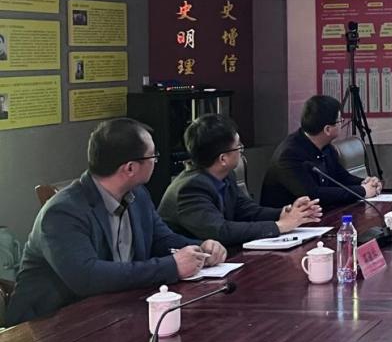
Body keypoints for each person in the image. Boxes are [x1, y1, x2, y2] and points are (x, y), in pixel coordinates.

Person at [6, 118, 227, 325]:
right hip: (49, 325)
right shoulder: (62, 212)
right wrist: (172, 266)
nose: (155, 161)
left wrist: (201, 249)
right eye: (153, 156)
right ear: (130, 168)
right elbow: (87, 277)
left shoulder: (137, 195)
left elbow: (162, 239)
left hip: (115, 310)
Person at [159, 114, 323, 245]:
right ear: (223, 159)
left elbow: (247, 211)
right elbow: (220, 231)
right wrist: (279, 226)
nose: (241, 151)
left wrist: (287, 212)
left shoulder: (225, 175)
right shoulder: (190, 189)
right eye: (238, 147)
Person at [260, 95, 382, 208]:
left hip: (320, 215)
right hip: (288, 221)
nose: (342, 123)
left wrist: (366, 182)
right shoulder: (289, 155)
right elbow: (313, 194)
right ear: (327, 129)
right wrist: (362, 191)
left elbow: (341, 177)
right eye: (340, 121)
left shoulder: (325, 146)